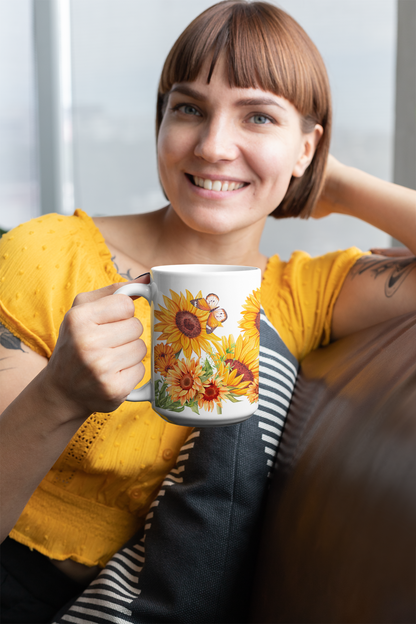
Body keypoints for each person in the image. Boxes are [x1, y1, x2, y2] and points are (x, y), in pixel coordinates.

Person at [0, 1, 415, 621]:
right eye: (189, 108)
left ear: (307, 147)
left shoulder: (307, 294)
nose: (215, 146)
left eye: (259, 117)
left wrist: (336, 183)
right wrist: (58, 396)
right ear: (161, 123)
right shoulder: (45, 253)